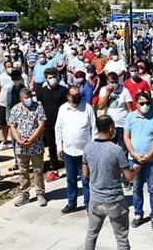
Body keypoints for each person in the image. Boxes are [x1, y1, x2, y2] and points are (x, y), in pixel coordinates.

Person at [83, 115, 141, 250]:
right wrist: (136, 168)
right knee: (121, 239)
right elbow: (129, 177)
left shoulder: (88, 148)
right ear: (111, 129)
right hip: (114, 201)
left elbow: (85, 174)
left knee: (91, 235)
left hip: (95, 199)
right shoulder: (117, 150)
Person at [125, 91, 153, 230]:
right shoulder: (130, 117)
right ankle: (138, 214)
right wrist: (133, 153)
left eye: (147, 103)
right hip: (134, 159)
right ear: (136, 104)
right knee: (136, 187)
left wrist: (149, 154)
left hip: (152, 159)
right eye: (142, 103)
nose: (145, 105)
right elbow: (126, 137)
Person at [56, 85, 96, 213]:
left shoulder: (87, 108)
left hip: (85, 152)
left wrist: (93, 148)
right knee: (71, 178)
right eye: (74, 95)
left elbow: (94, 129)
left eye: (78, 94)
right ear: (68, 96)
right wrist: (59, 146)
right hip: (68, 151)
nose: (77, 96)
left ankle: (89, 205)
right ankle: (72, 203)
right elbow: (58, 128)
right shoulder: (63, 109)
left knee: (86, 179)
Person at [9, 89, 48, 207]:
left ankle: (40, 193)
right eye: (26, 97)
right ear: (21, 98)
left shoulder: (38, 108)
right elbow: (12, 126)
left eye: (30, 96)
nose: (29, 99)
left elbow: (41, 125)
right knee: (23, 171)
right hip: (21, 147)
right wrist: (18, 140)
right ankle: (24, 194)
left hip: (35, 146)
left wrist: (31, 139)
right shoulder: (15, 109)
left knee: (38, 170)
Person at [36, 67, 68, 182]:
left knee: (66, 146)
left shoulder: (63, 90)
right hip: (48, 124)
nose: (53, 79)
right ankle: (55, 170)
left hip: (63, 124)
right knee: (52, 148)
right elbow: (39, 107)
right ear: (46, 79)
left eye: (54, 77)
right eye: (50, 78)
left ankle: (71, 167)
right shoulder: (42, 91)